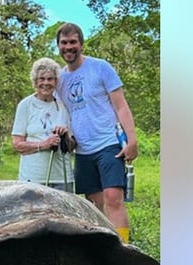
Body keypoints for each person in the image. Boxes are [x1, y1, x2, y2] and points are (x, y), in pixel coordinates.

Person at [55, 22, 137, 243]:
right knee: (93, 203)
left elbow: (121, 105)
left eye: (73, 42)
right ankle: (103, 247)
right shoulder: (59, 80)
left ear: (81, 43)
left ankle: (124, 248)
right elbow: (62, 115)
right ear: (58, 46)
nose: (69, 47)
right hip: (82, 149)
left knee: (113, 198)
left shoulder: (100, 68)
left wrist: (132, 138)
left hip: (108, 142)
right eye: (64, 43)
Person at [11, 57, 76, 192]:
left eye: (50, 79)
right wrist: (44, 144)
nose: (46, 83)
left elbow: (72, 147)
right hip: (33, 177)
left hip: (62, 177)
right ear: (35, 82)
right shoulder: (26, 105)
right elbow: (17, 145)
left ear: (56, 82)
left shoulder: (64, 105)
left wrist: (65, 137)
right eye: (42, 79)